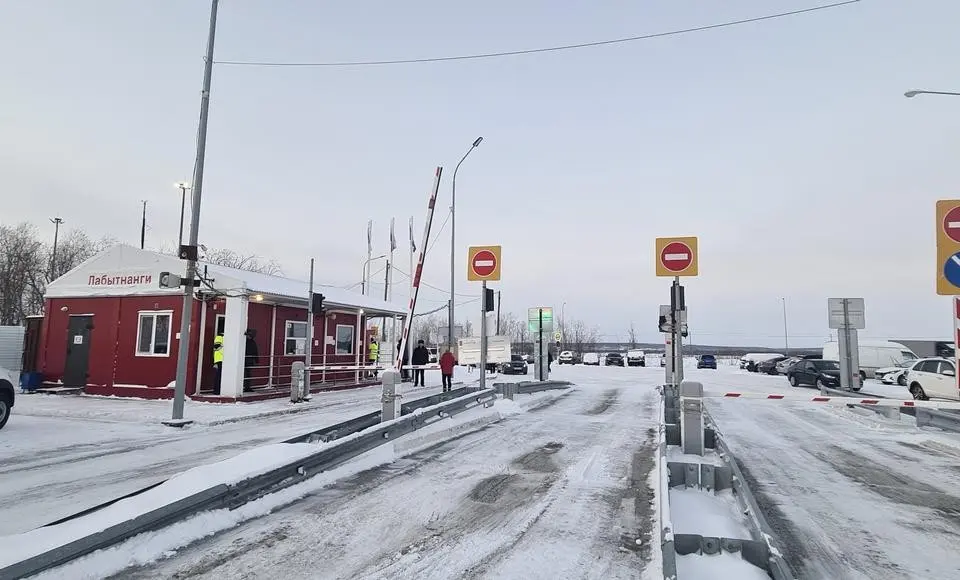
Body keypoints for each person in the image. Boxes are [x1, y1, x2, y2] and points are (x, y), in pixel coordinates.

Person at [244, 328, 259, 393]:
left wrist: (256, 359)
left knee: (248, 374)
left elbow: (255, 351)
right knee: (245, 374)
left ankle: (247, 387)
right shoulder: (244, 342)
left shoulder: (252, 342)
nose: (249, 336)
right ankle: (244, 387)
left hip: (249, 360)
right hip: (244, 360)